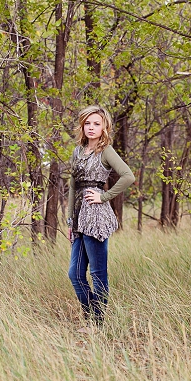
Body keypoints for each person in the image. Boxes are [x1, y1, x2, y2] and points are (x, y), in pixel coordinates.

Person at [67, 104, 134, 328]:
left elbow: (128, 176)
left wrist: (104, 196)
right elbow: (72, 185)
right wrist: (70, 221)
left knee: (97, 273)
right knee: (75, 274)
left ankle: (98, 323)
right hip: (78, 217)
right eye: (88, 123)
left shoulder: (106, 151)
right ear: (82, 126)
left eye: (96, 123)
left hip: (96, 215)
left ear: (104, 126)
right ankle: (93, 315)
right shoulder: (78, 151)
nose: (91, 127)